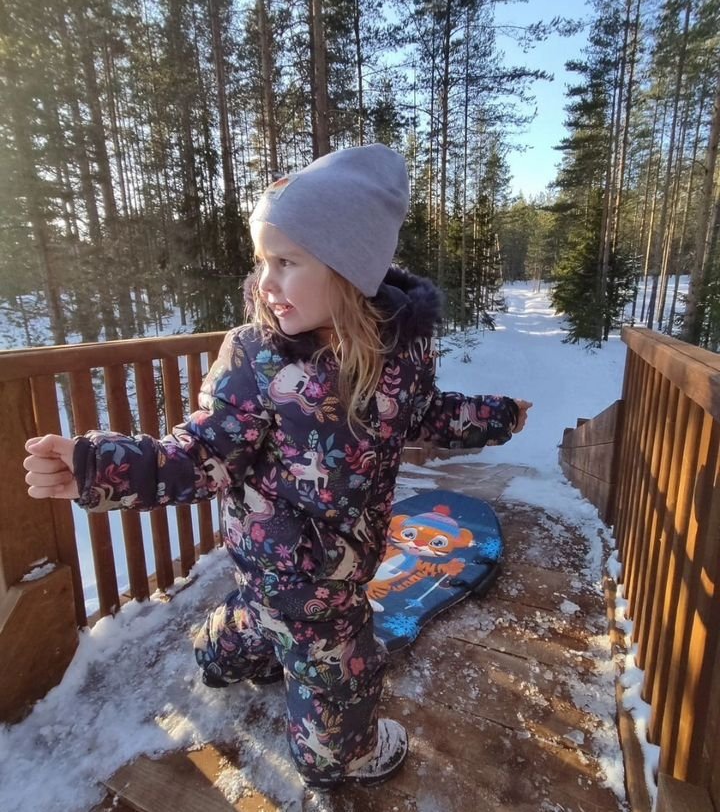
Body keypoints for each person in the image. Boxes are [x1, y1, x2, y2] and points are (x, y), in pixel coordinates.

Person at [24, 144, 531, 790]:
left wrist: (497, 416)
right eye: (262, 260)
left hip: (316, 566)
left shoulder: (400, 357)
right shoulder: (256, 360)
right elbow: (199, 454)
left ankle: (219, 647)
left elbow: (429, 414)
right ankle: (341, 754)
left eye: (286, 262)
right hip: (305, 579)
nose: (264, 282)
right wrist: (101, 468)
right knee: (342, 673)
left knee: (262, 619)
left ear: (349, 269)